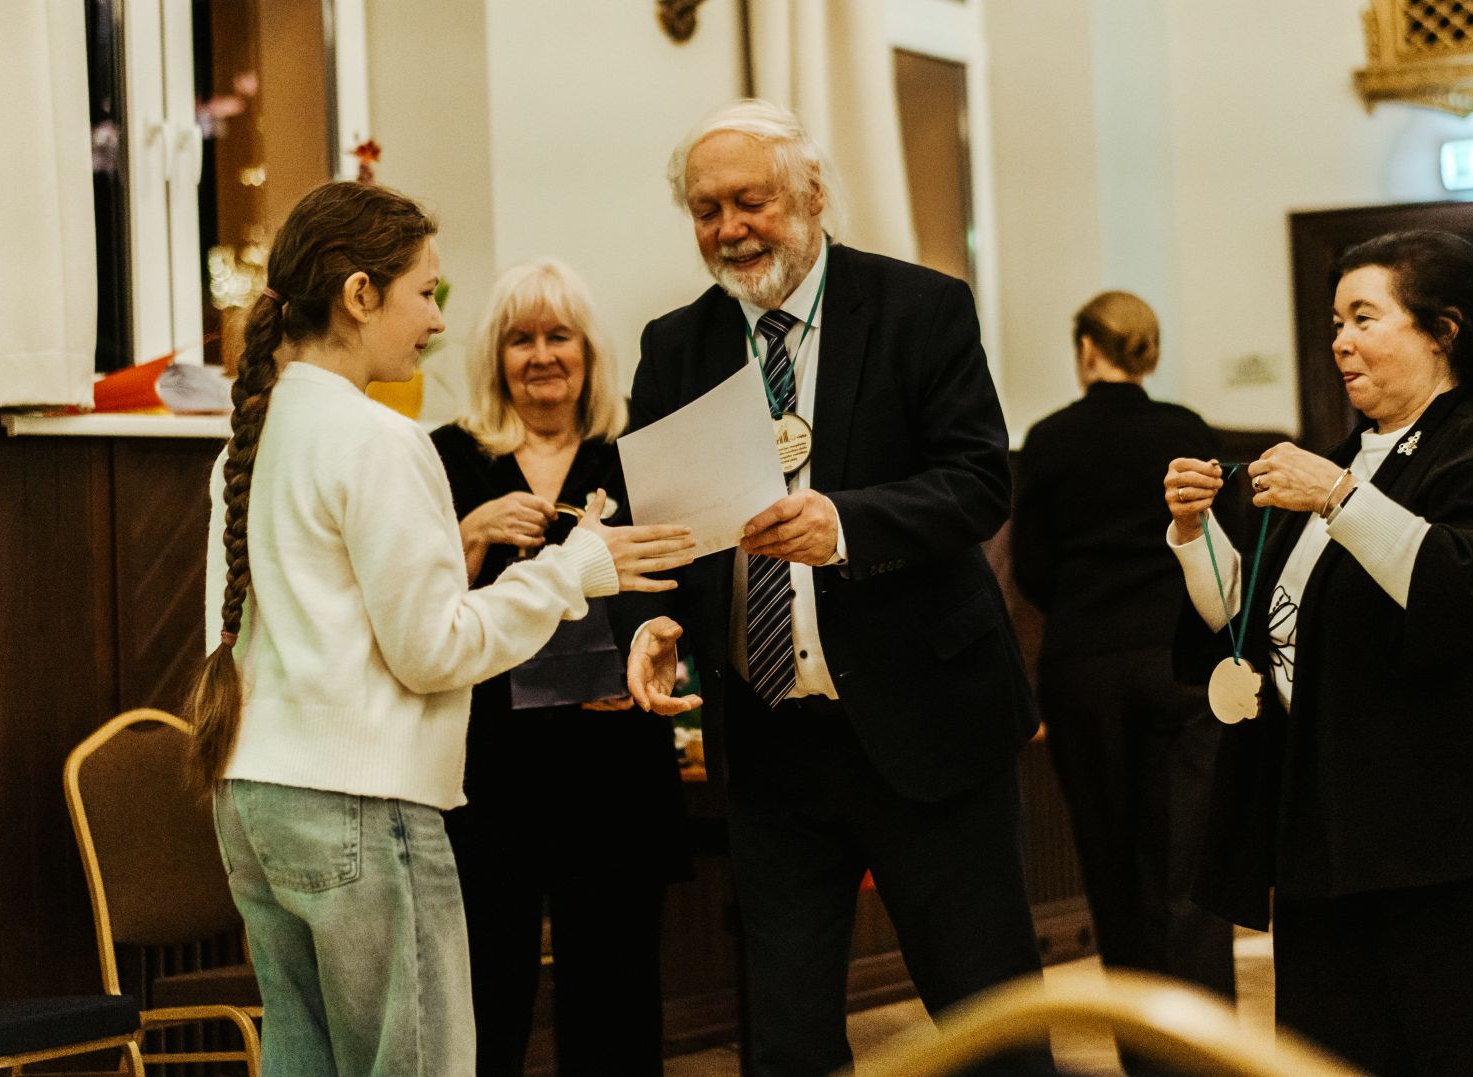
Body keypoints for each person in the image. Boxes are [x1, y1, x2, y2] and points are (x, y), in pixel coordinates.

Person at [186, 181, 694, 1077]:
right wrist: (573, 567)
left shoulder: (253, 441)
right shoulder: (381, 441)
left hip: (257, 797)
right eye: (424, 291)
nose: (435, 319)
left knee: (306, 1060)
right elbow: (433, 651)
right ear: (359, 295)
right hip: (361, 800)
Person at [619, 100, 1051, 1077]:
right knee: (785, 1036)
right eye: (706, 210)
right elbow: (653, 528)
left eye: (751, 202)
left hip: (926, 720)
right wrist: (650, 619)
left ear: (811, 195)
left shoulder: (918, 309)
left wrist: (846, 524)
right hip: (769, 739)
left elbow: (978, 482)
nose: (730, 229)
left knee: (987, 1018)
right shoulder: (674, 347)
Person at [1163, 230, 1473, 1077]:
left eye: (1365, 317)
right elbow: (1262, 626)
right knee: (1335, 1055)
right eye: (1335, 322)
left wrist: (1338, 497)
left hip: (1462, 841)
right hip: (1333, 833)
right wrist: (1193, 532)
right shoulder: (1337, 463)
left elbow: (1466, 588)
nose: (1340, 342)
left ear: (1442, 332)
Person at [429, 260, 686, 1077]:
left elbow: (675, 576)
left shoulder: (636, 452)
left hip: (613, 755)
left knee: (616, 991)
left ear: (588, 350)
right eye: (520, 339)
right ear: (495, 357)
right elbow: (413, 603)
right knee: (485, 989)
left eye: (559, 335)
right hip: (488, 764)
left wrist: (654, 645)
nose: (541, 355)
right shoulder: (448, 456)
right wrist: (471, 532)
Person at [1010, 292, 1236, 1023]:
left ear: (1086, 349)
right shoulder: (1187, 430)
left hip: (1085, 668)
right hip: (1180, 661)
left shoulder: (1049, 439)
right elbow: (1222, 545)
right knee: (1190, 862)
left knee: (1110, 862)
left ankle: (1143, 1048)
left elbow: (1032, 567)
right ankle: (1204, 1049)